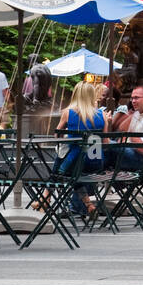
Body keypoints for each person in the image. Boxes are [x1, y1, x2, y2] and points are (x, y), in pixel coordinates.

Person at [50, 81, 107, 217]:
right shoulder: (102, 115)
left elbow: (56, 135)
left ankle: (45, 198)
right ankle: (89, 205)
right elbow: (105, 142)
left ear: (75, 95)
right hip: (96, 163)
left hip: (76, 163)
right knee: (75, 173)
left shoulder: (68, 113)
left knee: (64, 163)